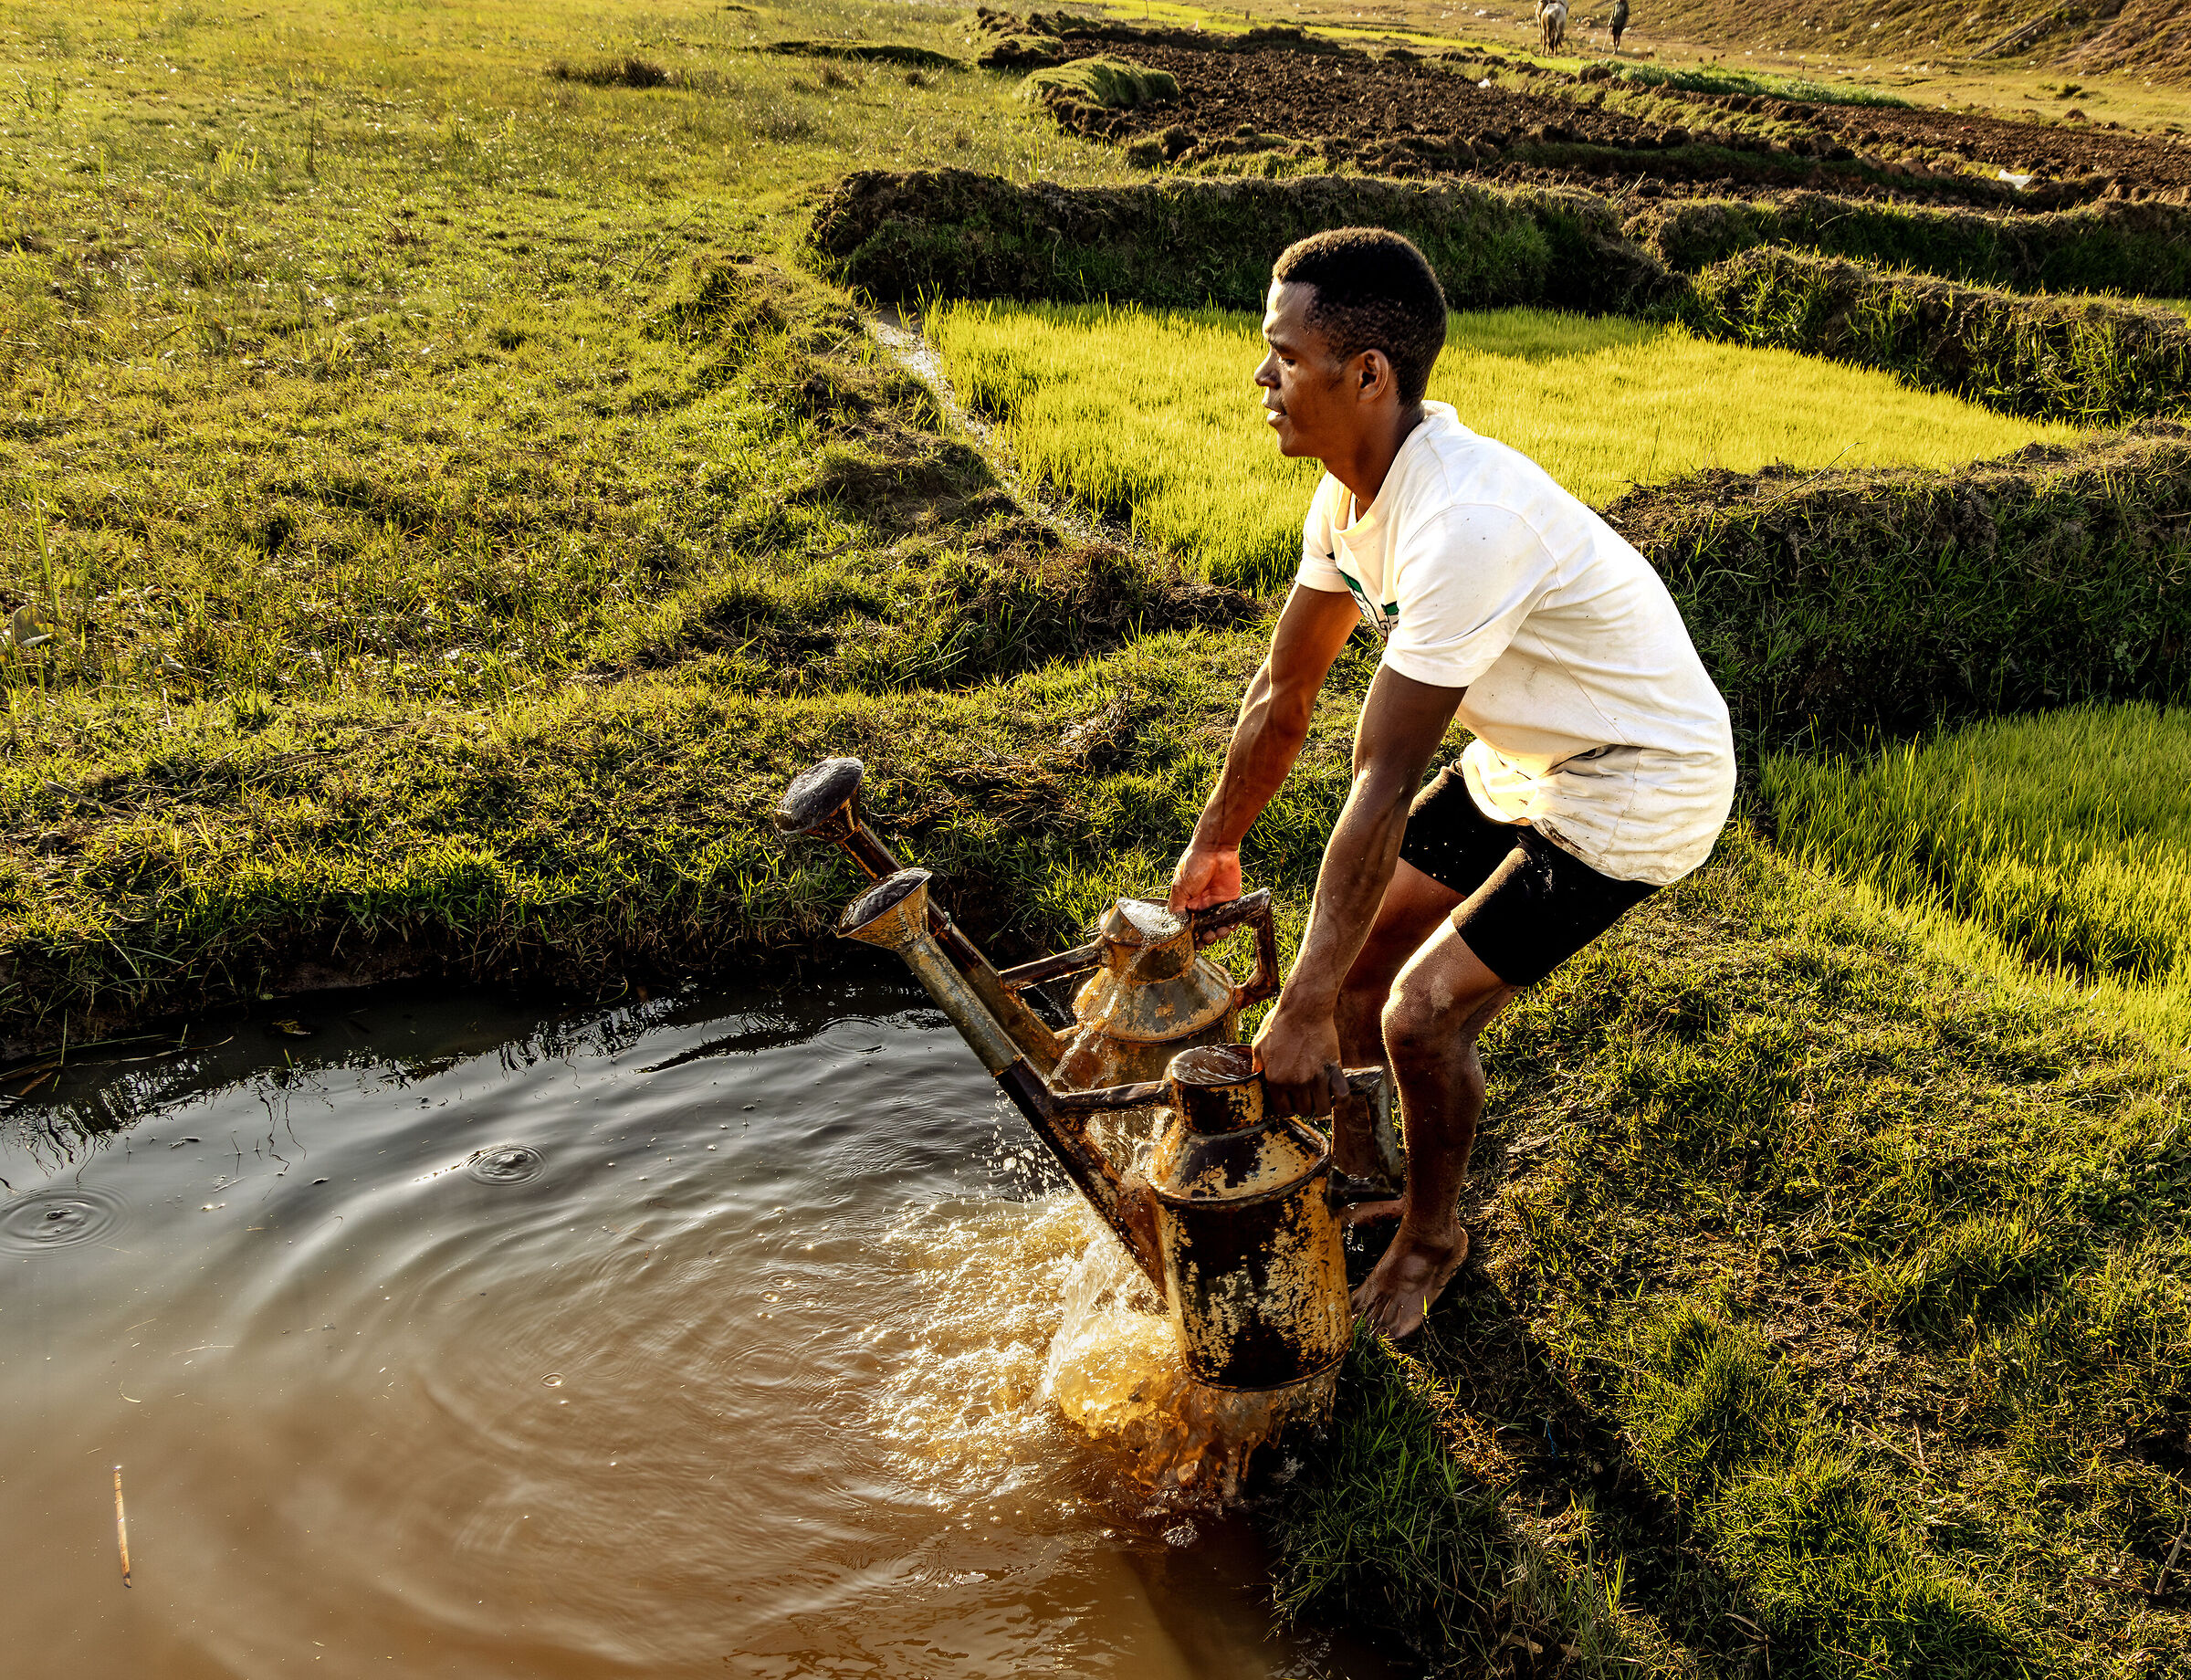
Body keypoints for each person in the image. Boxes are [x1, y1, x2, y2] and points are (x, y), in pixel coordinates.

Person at [1166, 228, 1735, 1339]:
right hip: (1531, 757)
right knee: (1365, 957)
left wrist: (1301, 1006)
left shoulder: (1465, 523)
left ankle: (1432, 1237)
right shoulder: (1347, 501)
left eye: (1282, 354)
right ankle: (1369, 1162)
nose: (1261, 377)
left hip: (1639, 780)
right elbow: (1282, 696)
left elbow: (1382, 778)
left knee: (1421, 1014)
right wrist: (1214, 842)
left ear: (1366, 373)